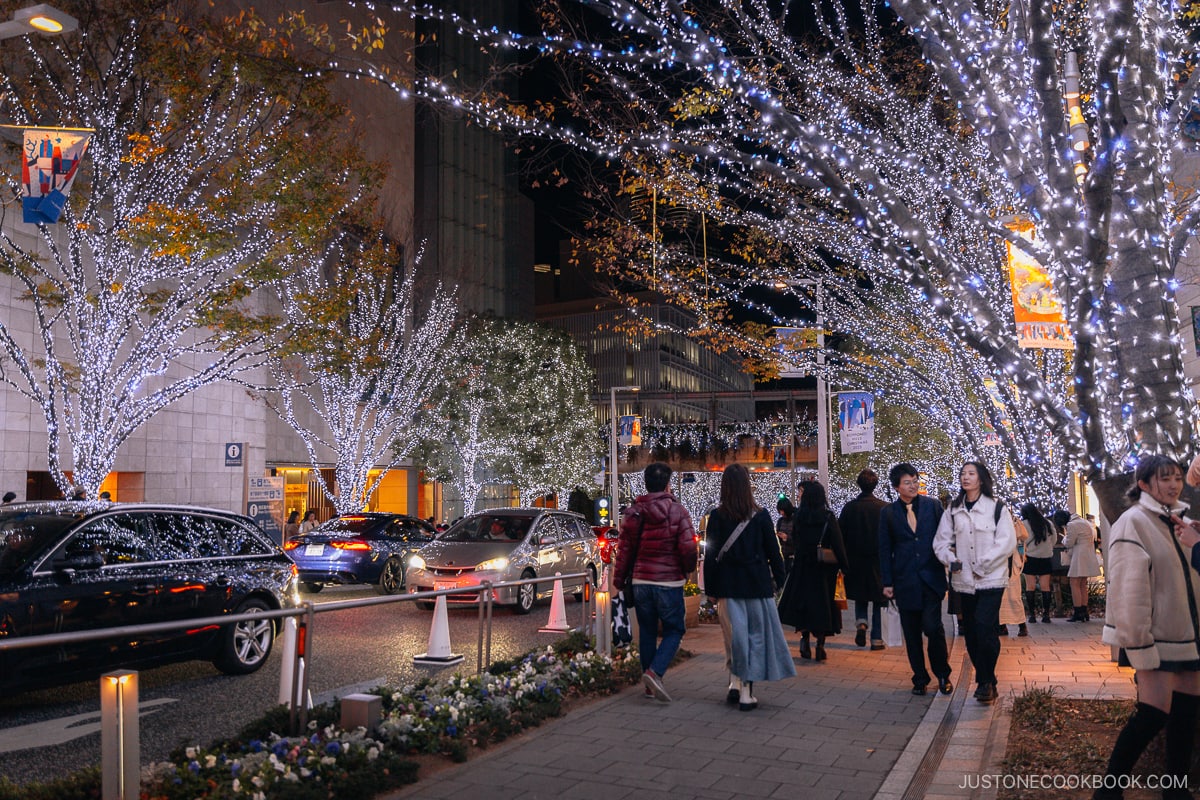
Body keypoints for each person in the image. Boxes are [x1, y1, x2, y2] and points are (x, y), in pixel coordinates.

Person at [1093, 455, 1199, 800]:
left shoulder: (1180, 522)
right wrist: (1137, 641)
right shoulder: (1134, 521)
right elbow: (1128, 587)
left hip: (1188, 638)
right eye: (1164, 479)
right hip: (1154, 638)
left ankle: (1175, 789)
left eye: (1177, 479)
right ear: (1143, 484)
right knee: (1152, 714)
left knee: (1186, 714)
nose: (1173, 485)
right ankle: (1109, 789)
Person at [703, 464, 795, 711]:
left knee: (733, 638)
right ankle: (746, 692)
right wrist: (779, 579)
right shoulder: (762, 516)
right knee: (753, 638)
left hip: (727, 586)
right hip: (756, 585)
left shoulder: (717, 516)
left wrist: (710, 590)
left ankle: (734, 682)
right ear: (747, 486)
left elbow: (710, 555)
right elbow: (773, 552)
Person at [612, 462, 698, 703]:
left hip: (640, 581)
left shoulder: (633, 513)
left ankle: (649, 687)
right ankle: (655, 672)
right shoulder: (678, 512)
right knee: (674, 629)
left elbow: (624, 551)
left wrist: (618, 581)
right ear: (668, 484)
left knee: (648, 631)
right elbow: (688, 547)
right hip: (668, 582)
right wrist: (687, 569)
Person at [934, 462, 1016, 704]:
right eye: (962, 474)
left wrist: (985, 563)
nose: (965, 477)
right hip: (963, 581)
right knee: (970, 631)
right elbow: (940, 542)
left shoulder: (996, 508)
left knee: (985, 626)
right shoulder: (953, 510)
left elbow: (1006, 542)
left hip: (991, 579)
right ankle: (988, 679)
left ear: (981, 479)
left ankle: (984, 682)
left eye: (971, 474)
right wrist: (950, 559)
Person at [879, 463, 953, 696]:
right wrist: (887, 582)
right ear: (897, 487)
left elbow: (945, 536)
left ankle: (943, 674)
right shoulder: (888, 513)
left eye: (915, 480)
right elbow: (884, 548)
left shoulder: (932, 506)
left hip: (931, 578)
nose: (913, 485)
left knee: (933, 628)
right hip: (904, 580)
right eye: (907, 482)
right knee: (911, 633)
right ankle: (920, 677)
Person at [776, 479, 848, 662]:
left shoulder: (799, 517)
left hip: (802, 565)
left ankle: (804, 638)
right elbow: (838, 544)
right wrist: (844, 565)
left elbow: (796, 540)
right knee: (823, 605)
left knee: (804, 604)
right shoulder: (828, 517)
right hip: (824, 569)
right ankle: (821, 645)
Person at [839, 468, 888, 650]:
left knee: (861, 596)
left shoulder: (850, 508)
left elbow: (841, 535)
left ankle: (861, 623)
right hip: (879, 562)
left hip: (856, 561)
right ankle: (877, 639)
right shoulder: (884, 508)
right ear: (875, 484)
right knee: (879, 600)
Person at [1054, 509, 1101, 622]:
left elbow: (1069, 542)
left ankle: (1078, 611)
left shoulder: (1072, 525)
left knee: (1074, 583)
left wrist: (1064, 538)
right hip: (1088, 553)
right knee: (1083, 584)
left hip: (1079, 555)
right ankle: (1084, 611)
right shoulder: (1084, 521)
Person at [1020, 503, 1056, 623]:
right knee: (1045, 587)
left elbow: (1019, 540)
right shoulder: (1047, 523)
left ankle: (1032, 615)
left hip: (1030, 557)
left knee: (1030, 587)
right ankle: (1046, 615)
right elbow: (1054, 540)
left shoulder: (1024, 524)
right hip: (1045, 558)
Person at [998, 515, 1029, 638]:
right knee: (1001, 599)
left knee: (1014, 597)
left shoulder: (1016, 524)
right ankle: (1002, 625)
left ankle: (1021, 624)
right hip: (1000, 566)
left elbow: (1023, 538)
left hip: (1012, 566)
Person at [775, 497, 796, 579]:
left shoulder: (795, 520)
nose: (781, 513)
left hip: (794, 556)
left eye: (783, 510)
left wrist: (787, 538)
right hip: (785, 555)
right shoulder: (780, 521)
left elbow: (798, 539)